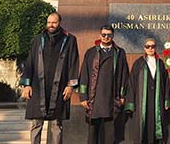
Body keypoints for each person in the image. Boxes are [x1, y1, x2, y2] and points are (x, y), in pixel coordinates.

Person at [20, 12, 80, 144]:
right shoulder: (38, 39)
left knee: (56, 125)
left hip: (58, 88)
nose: (51, 25)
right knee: (36, 124)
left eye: (54, 22)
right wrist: (27, 84)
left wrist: (70, 85)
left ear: (59, 23)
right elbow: (30, 62)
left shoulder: (69, 40)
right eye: (49, 22)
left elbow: (73, 63)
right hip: (38, 87)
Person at [78, 25, 131, 144]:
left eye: (109, 35)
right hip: (94, 98)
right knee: (93, 133)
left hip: (111, 98)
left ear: (112, 36)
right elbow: (84, 74)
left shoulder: (119, 53)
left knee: (110, 133)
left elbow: (124, 74)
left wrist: (122, 96)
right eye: (104, 35)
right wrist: (83, 96)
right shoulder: (91, 52)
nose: (106, 37)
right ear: (100, 35)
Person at [125, 38, 170, 144]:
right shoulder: (138, 63)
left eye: (152, 46)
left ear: (156, 47)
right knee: (143, 128)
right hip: (142, 101)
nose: (150, 49)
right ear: (144, 48)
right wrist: (130, 104)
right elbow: (132, 83)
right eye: (147, 46)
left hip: (157, 100)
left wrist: (167, 101)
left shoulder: (160, 64)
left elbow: (166, 83)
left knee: (156, 127)